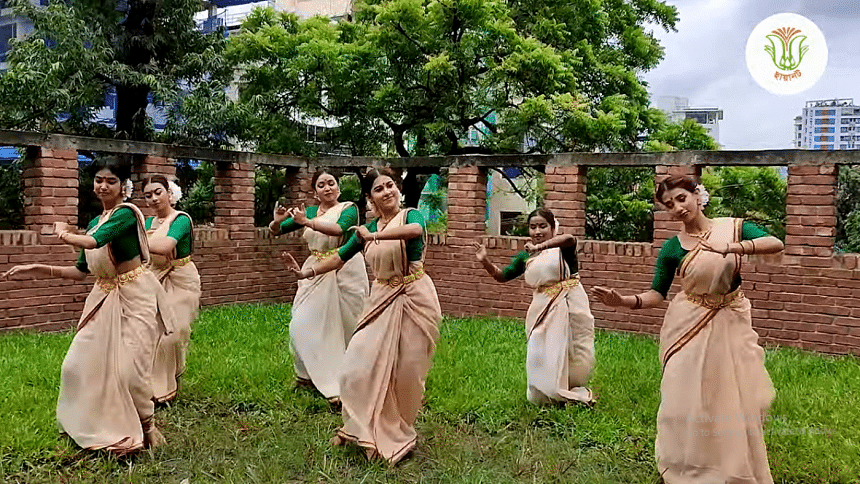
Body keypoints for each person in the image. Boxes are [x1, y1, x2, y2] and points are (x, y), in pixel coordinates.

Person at [591, 175, 783, 484]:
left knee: (733, 393)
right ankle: (688, 463)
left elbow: (775, 243)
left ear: (697, 195)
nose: (678, 208)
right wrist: (623, 301)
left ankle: (732, 462)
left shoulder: (732, 227)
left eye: (681, 198)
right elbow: (657, 294)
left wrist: (731, 247)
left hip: (731, 319)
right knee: (683, 394)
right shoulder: (672, 248)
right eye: (669, 205)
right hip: (688, 321)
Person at [2, 158, 174, 455]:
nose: (103, 186)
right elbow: (81, 271)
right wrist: (36, 268)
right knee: (76, 365)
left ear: (123, 186)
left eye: (111, 181)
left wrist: (63, 233)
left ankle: (147, 429)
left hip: (137, 295)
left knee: (130, 370)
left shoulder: (126, 214)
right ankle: (95, 424)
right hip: (103, 296)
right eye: (98, 180)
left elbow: (94, 242)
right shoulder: (95, 222)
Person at [281, 167, 441, 464]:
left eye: (390, 185)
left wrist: (375, 235)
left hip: (416, 297)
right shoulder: (364, 230)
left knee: (406, 371)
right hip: (380, 299)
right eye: (379, 189)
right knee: (356, 367)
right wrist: (306, 273)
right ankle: (356, 428)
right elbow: (339, 258)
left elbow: (415, 232)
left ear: (398, 189)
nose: (387, 192)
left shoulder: (411, 215)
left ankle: (396, 430)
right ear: (370, 198)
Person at [474, 208, 595, 405]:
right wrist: (484, 260)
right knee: (539, 349)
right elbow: (502, 276)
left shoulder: (562, 248)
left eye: (542, 226)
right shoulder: (526, 255)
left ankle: (568, 388)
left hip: (570, 303)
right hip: (542, 307)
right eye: (532, 227)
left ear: (553, 227)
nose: (537, 231)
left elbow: (570, 238)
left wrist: (540, 247)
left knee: (571, 350)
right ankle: (544, 392)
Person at [270, 170, 369, 405]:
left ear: (339, 188)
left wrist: (306, 222)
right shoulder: (310, 211)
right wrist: (277, 220)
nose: (327, 188)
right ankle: (305, 376)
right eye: (321, 185)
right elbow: (277, 231)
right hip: (314, 269)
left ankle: (346, 379)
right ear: (315, 192)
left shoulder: (349, 208)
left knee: (346, 325)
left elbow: (339, 229)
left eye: (331, 183)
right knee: (301, 323)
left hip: (345, 268)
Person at [143, 175, 201, 404]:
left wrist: (134, 239)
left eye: (158, 192)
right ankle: (155, 389)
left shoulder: (181, 220)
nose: (154, 198)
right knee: (152, 332)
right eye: (148, 195)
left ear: (169, 193)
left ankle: (170, 381)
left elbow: (166, 246)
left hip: (181, 279)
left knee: (174, 332)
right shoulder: (147, 223)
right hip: (153, 278)